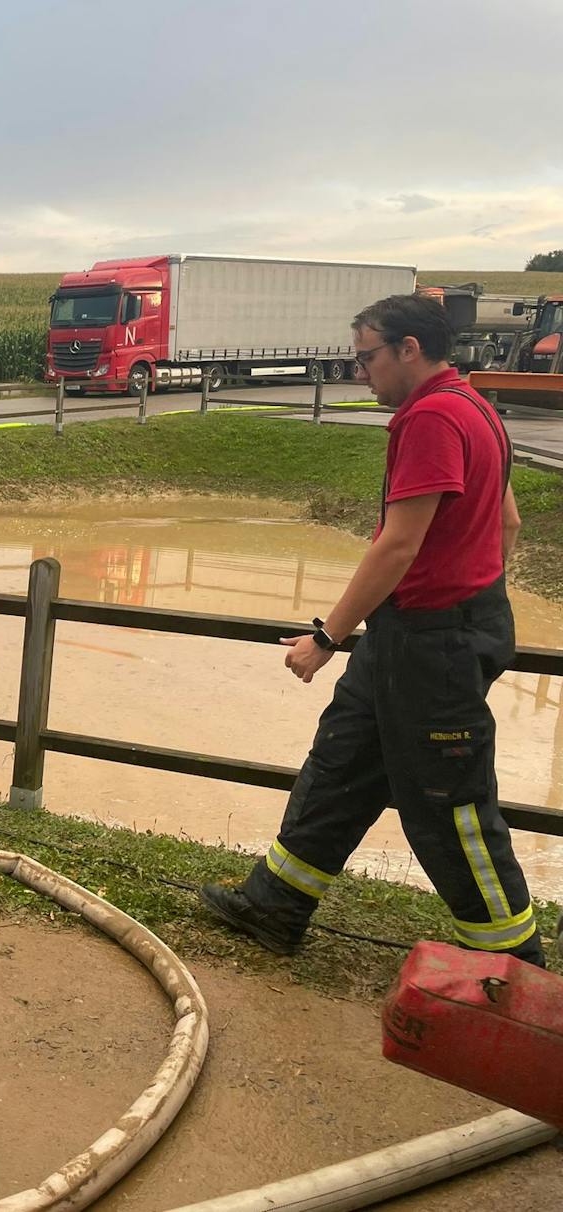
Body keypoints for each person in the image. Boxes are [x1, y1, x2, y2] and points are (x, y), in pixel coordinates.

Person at [200, 294, 545, 968]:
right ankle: (275, 905)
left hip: (428, 644)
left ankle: (517, 969)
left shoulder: (431, 418)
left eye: (367, 358)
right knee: (343, 765)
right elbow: (507, 525)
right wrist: (466, 599)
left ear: (408, 349)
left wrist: (326, 637)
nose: (362, 374)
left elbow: (396, 545)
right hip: (430, 630)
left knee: (449, 806)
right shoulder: (477, 408)